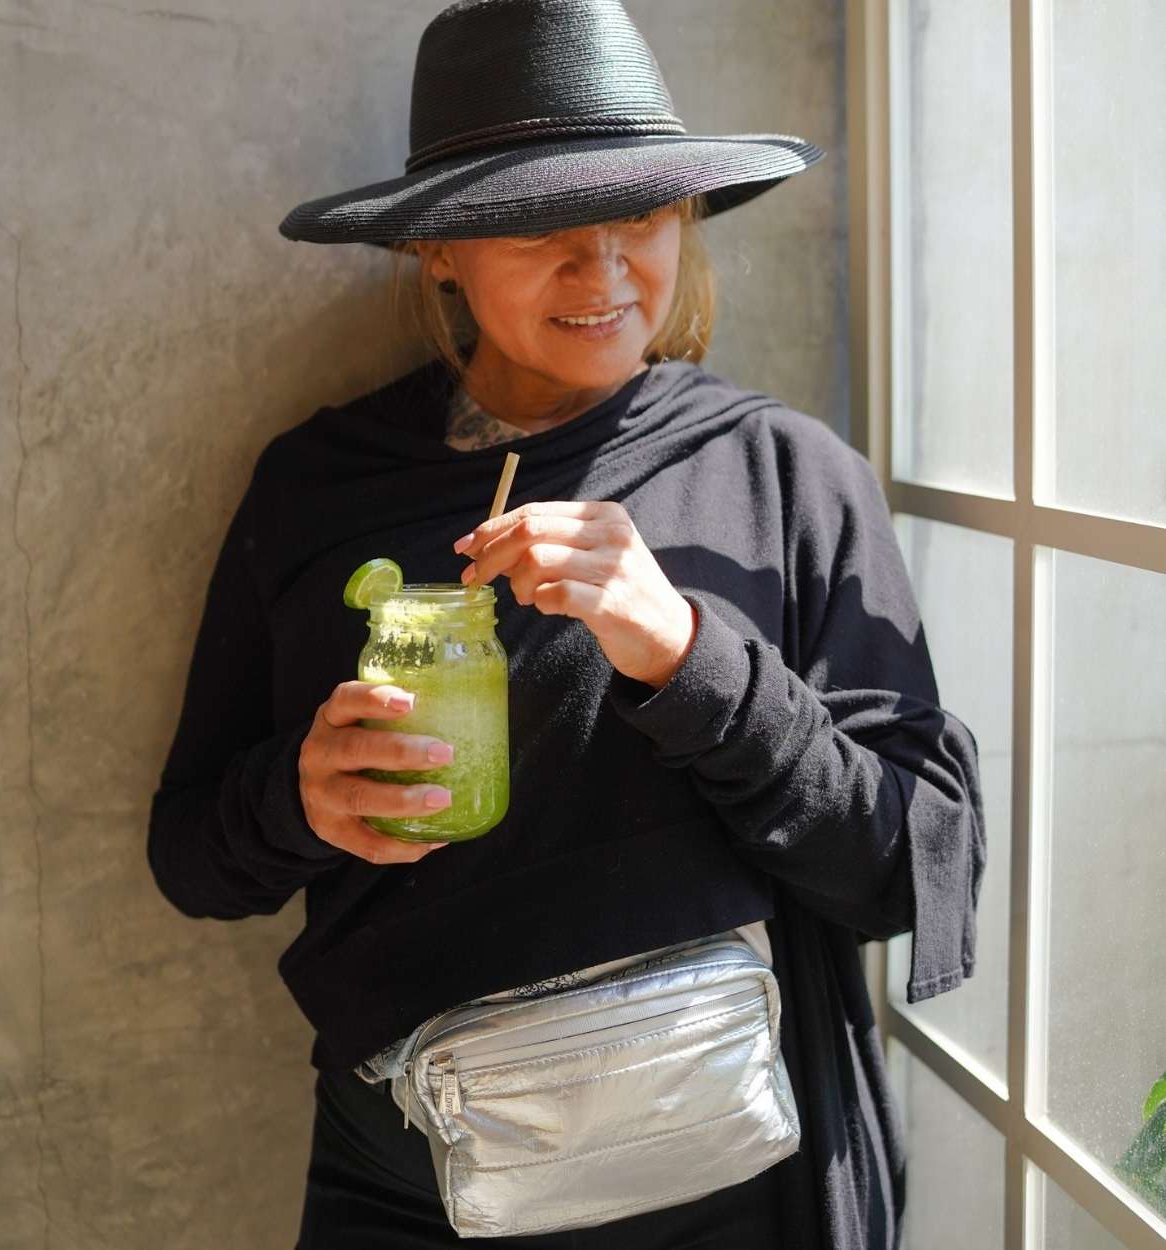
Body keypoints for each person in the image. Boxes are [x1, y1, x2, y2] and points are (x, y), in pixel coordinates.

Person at [146, 2, 988, 1247]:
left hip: (731, 1177)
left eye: (637, 218)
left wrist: (688, 655)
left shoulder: (782, 474)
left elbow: (908, 860)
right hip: (414, 1190)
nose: (603, 275)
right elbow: (191, 857)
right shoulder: (317, 486)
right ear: (438, 249)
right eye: (539, 227)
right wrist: (299, 802)